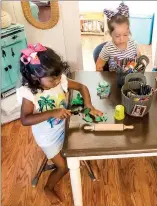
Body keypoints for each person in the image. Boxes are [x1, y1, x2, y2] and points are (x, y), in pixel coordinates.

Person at [16, 43, 103, 205]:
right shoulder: (30, 94)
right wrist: (52, 113)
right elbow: (25, 120)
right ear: (36, 77)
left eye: (58, 77)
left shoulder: (59, 79)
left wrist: (89, 106)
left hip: (66, 127)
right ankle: (48, 188)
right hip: (47, 138)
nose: (57, 81)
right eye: (52, 79)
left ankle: (89, 161)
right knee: (63, 167)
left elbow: (82, 87)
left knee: (87, 139)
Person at [96, 3, 140, 71]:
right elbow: (99, 66)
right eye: (117, 36)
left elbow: (140, 59)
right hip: (114, 80)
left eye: (125, 34)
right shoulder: (108, 48)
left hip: (131, 79)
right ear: (111, 34)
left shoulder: (133, 44)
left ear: (128, 31)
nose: (122, 39)